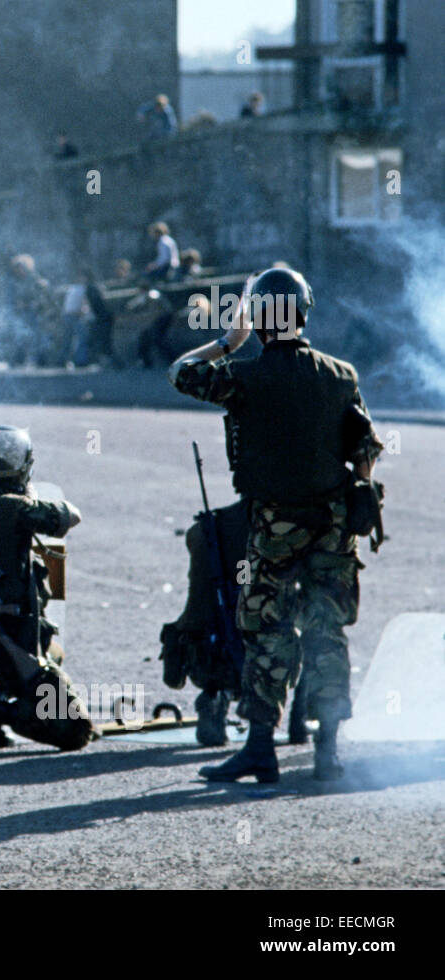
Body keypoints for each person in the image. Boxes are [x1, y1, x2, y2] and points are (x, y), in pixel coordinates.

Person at [169, 267, 384, 782]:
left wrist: (228, 340)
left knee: (267, 631)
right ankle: (327, 752)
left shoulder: (243, 376)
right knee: (327, 632)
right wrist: (357, 487)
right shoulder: (340, 375)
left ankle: (261, 747)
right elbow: (365, 448)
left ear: (260, 319)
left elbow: (181, 372)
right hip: (333, 528)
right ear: (305, 313)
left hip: (273, 529)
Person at [0, 425, 94, 756]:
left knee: (52, 653)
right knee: (75, 730)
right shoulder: (13, 507)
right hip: (2, 642)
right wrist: (32, 500)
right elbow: (72, 516)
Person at [161, 493, 313, 747]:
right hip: (272, 661)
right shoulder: (288, 529)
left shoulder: (207, 530)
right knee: (315, 624)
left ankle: (217, 696)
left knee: (225, 618)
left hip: (208, 659)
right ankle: (301, 714)